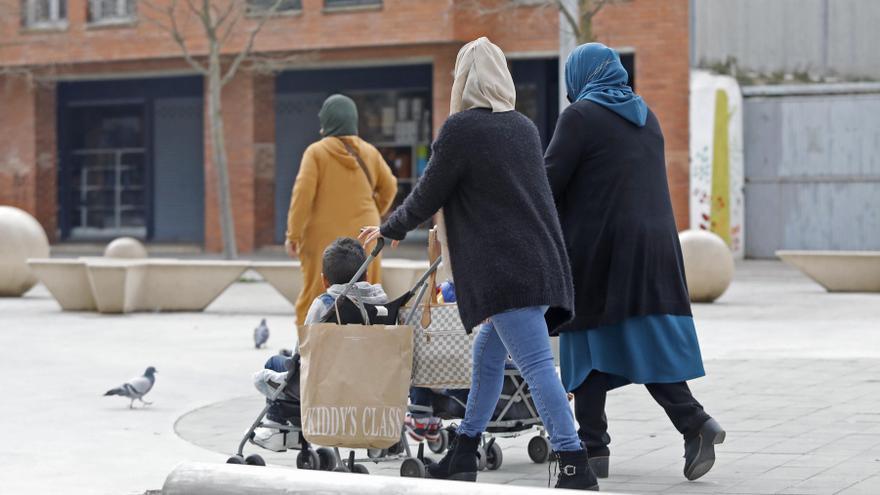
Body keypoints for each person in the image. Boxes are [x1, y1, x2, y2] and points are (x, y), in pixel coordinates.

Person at [360, 37, 598, 490]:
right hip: (540, 261)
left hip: (506, 272)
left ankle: (573, 462)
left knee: (537, 368)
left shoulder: (461, 130)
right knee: (488, 358)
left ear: (464, 80)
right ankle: (463, 453)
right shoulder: (524, 127)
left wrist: (389, 229)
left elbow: (430, 193)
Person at [544, 42, 725, 482]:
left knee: (588, 338)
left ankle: (692, 423)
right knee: (608, 341)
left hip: (600, 249)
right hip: (655, 247)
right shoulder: (648, 118)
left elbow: (547, 183)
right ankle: (594, 447)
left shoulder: (579, 117)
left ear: (580, 76)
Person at [252, 237, 442, 449]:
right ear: (367, 276)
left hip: (327, 385)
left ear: (325, 281)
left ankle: (276, 427)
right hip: (371, 385)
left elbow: (302, 353)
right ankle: (296, 434)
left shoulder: (324, 306)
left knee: (275, 363)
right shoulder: (383, 306)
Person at [286, 94, 398, 325]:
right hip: (365, 236)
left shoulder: (316, 153)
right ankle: (364, 347)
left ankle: (308, 354)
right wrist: (374, 210)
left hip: (322, 239)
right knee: (367, 298)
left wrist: (293, 235)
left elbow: (302, 195)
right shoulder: (369, 152)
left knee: (314, 297)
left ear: (326, 121)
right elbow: (390, 186)